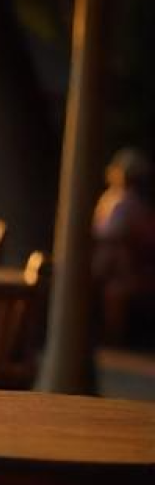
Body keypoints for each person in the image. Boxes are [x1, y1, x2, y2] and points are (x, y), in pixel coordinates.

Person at [94, 146, 155, 347]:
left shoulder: (135, 204)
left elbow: (142, 240)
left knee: (114, 280)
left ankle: (113, 340)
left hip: (129, 270)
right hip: (111, 264)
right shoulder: (108, 199)